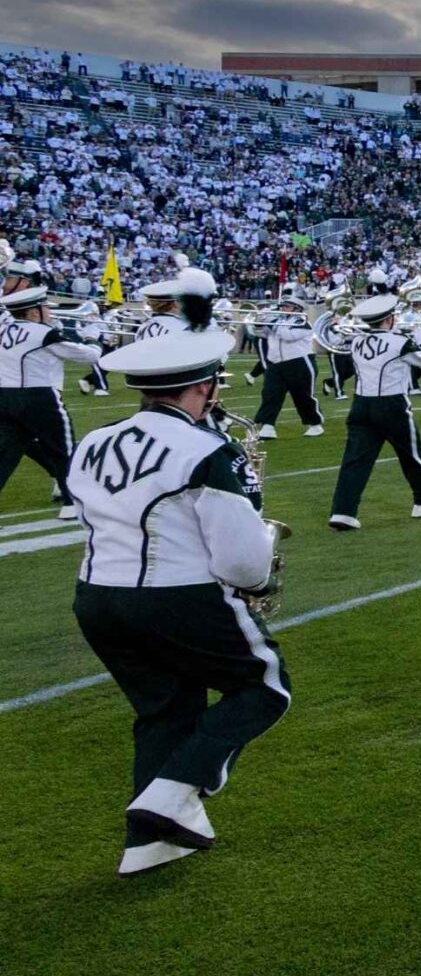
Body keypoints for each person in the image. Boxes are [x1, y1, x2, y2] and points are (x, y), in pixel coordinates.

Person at [68, 272, 288, 876]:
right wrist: (262, 560)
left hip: (95, 595)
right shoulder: (207, 450)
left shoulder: (92, 440)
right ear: (205, 385)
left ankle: (149, 842)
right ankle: (168, 797)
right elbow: (241, 561)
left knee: (165, 709)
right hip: (177, 596)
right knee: (265, 687)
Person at [325, 288, 421, 530]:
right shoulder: (399, 342)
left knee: (354, 461)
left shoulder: (356, 341)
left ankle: (343, 511)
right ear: (389, 319)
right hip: (392, 405)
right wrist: (420, 339)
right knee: (411, 455)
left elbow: (335, 342)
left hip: (360, 404)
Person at [1, 267, 102, 519]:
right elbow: (86, 355)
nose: (49, 311)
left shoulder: (2, 330)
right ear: (34, 311)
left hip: (5, 397)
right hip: (40, 397)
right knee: (62, 448)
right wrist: (93, 339)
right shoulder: (43, 332)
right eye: (45, 307)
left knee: (6, 454)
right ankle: (71, 503)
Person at [248, 299, 325, 439]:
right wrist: (259, 321)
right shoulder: (279, 320)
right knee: (270, 394)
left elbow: (288, 336)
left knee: (303, 396)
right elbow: (259, 333)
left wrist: (272, 321)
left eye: (287, 306)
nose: (283, 308)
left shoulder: (302, 322)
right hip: (275, 363)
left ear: (296, 309)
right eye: (283, 305)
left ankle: (315, 424)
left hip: (299, 362)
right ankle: (267, 426)